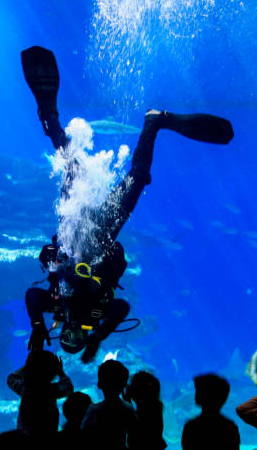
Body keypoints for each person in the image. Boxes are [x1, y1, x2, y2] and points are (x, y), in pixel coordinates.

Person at [21, 46, 234, 362]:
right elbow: (122, 307)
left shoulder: (56, 306)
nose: (72, 334)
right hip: (105, 230)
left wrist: (37, 327)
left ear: (60, 332)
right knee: (138, 178)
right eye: (76, 340)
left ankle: (50, 119)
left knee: (73, 166)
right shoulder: (95, 315)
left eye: (65, 337)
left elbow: (32, 295)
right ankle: (154, 122)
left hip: (73, 224)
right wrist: (100, 335)